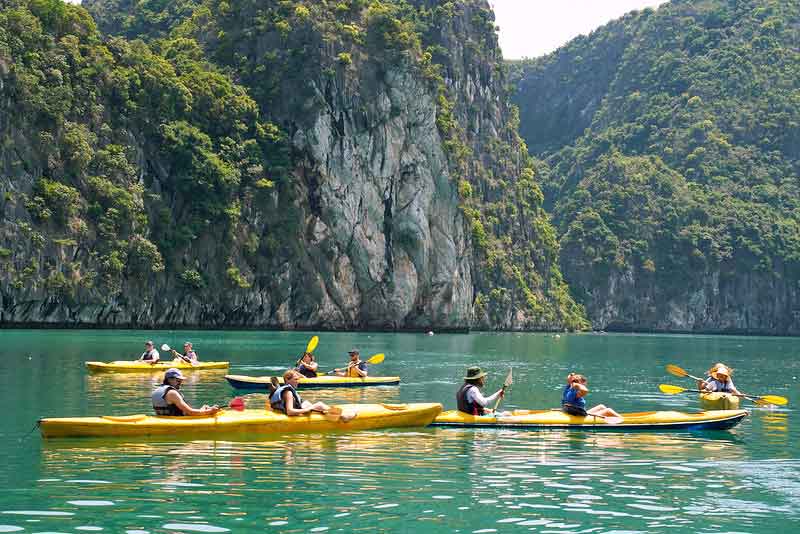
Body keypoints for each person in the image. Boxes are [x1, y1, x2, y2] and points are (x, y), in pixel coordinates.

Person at [151, 368, 220, 416]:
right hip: (176, 423)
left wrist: (201, 410)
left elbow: (186, 411)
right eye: (178, 380)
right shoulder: (172, 393)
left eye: (181, 380)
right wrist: (210, 411)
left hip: (164, 420)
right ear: (169, 379)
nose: (180, 382)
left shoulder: (157, 390)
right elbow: (190, 412)